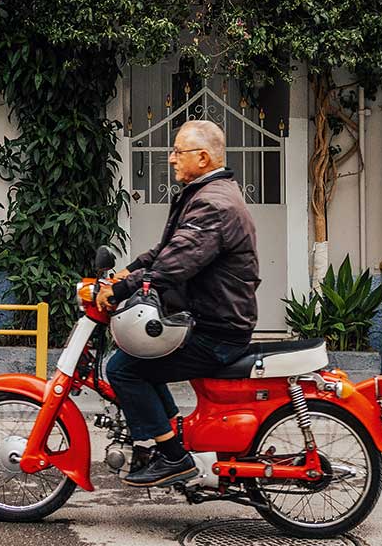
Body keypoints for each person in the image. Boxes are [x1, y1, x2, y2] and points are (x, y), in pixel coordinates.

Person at [98, 118, 260, 487]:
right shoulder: (206, 193)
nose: (171, 159)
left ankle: (173, 457)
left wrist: (122, 290)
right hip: (209, 319)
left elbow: (175, 263)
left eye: (177, 152)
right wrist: (128, 271)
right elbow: (166, 250)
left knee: (124, 369)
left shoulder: (213, 204)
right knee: (137, 361)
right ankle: (171, 440)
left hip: (216, 330)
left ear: (202, 158)